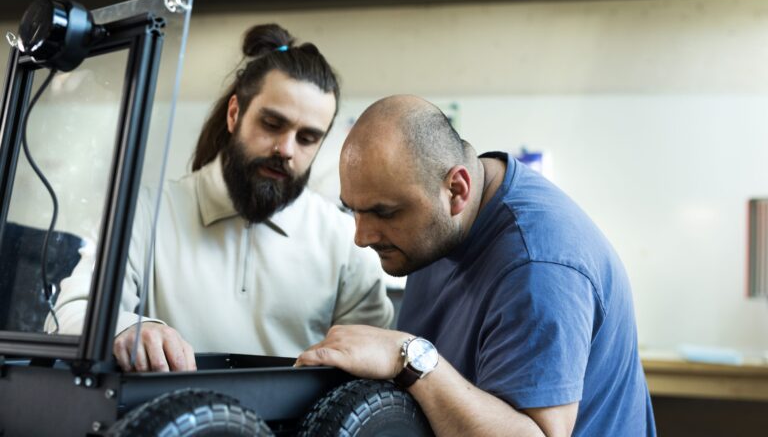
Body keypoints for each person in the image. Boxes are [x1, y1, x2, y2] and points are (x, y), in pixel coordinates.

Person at [296, 95, 656, 436]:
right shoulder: (439, 231)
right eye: (353, 209)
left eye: (384, 212)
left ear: (457, 190)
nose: (362, 236)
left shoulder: (538, 267)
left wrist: (407, 356)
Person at [47, 24, 393, 372]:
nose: (285, 150)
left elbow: (373, 368)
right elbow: (68, 316)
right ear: (234, 114)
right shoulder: (144, 213)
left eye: (307, 138)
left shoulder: (345, 241)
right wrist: (130, 329)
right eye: (272, 124)